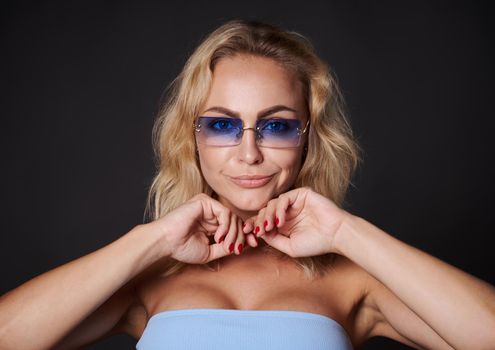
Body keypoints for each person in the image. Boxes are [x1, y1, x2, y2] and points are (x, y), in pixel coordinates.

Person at [0, 19, 494, 350]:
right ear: (190, 137)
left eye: (277, 125)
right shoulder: (149, 277)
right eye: (221, 124)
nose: (249, 153)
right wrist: (154, 240)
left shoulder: (356, 280)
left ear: (308, 140)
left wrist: (347, 232)